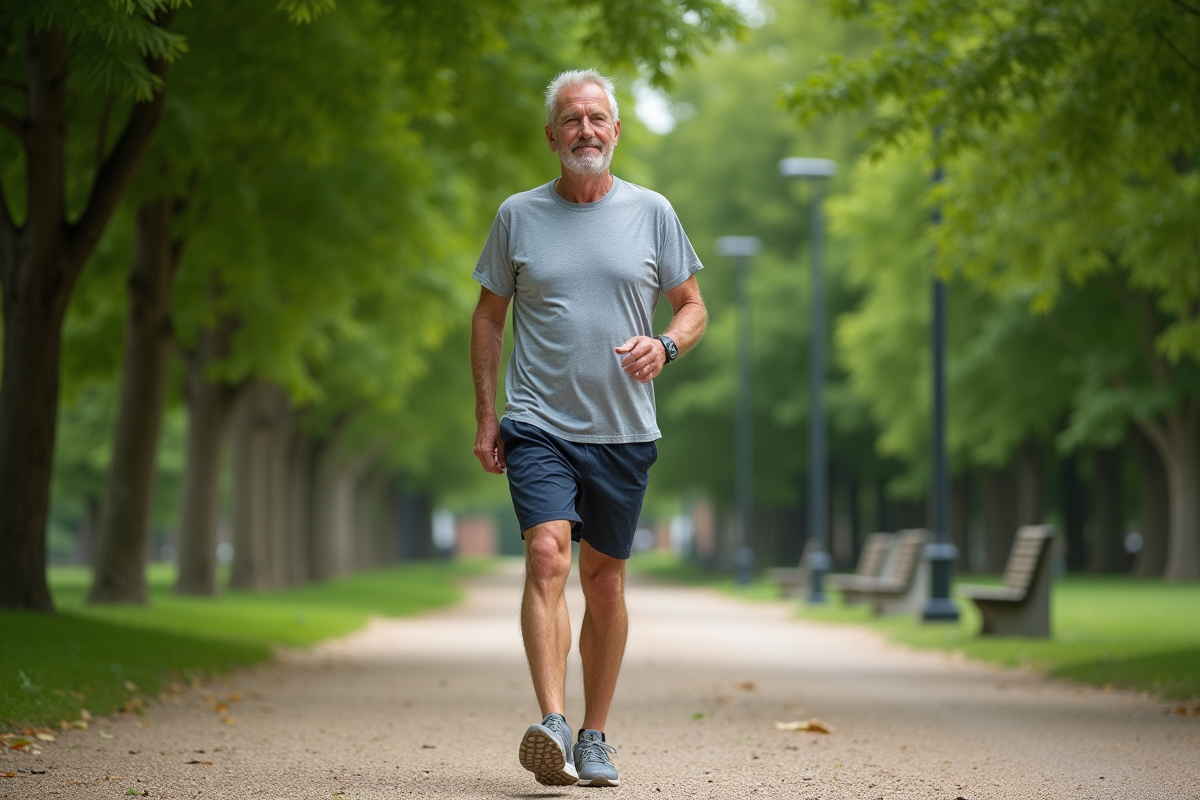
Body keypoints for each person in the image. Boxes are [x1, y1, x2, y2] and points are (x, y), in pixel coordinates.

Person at [470, 68, 707, 788]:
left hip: (623, 430)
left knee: (604, 584)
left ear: (616, 130)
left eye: (597, 118)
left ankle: (595, 733)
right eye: (571, 119)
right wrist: (488, 415)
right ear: (551, 136)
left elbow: (693, 306)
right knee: (548, 556)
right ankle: (552, 722)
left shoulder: (653, 212)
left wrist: (664, 345)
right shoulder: (518, 215)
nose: (585, 130)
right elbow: (488, 316)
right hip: (539, 422)